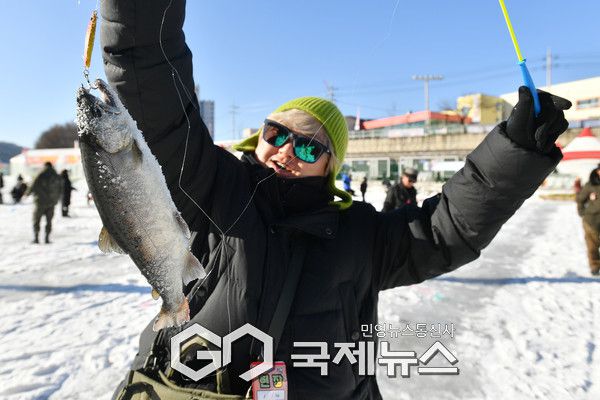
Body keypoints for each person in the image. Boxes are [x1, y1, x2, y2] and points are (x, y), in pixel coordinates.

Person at [101, 1, 570, 398]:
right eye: (276, 134)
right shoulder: (215, 187)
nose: (287, 151)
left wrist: (516, 149)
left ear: (330, 167)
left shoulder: (361, 232)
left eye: (308, 147)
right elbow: (155, 97)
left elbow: (445, 229)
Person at [26, 162, 62, 244]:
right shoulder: (56, 176)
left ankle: (36, 238)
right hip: (51, 203)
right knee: (49, 221)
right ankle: (47, 238)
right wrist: (57, 199)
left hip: (40, 202)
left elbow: (33, 185)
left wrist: (27, 193)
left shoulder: (41, 175)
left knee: (36, 220)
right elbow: (61, 189)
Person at [576, 167, 600, 276]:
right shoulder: (590, 185)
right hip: (591, 220)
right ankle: (595, 267)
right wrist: (582, 212)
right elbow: (580, 199)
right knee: (592, 245)